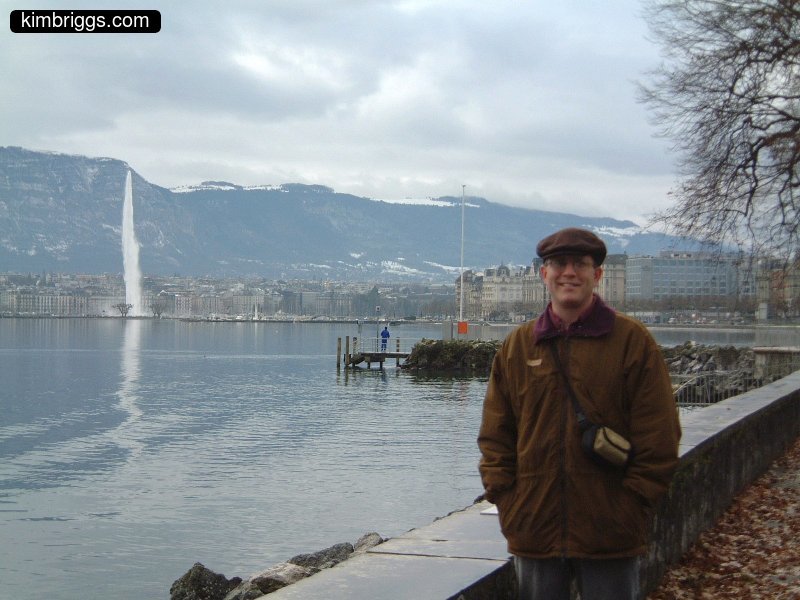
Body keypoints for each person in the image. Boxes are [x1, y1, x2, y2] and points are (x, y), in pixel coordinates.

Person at [477, 227, 681, 600]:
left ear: (596, 275)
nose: (568, 272)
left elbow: (660, 437)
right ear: (544, 275)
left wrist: (631, 507)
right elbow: (495, 436)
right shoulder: (517, 347)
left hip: (610, 532)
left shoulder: (632, 342)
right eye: (558, 264)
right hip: (534, 528)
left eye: (580, 264)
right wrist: (509, 502)